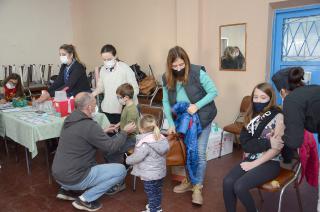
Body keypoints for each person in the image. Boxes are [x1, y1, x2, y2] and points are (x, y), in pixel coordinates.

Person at [52, 92, 136, 211]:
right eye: (95, 104)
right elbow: (111, 147)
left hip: (58, 174)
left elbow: (83, 136)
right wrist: (124, 132)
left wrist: (102, 131)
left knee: (91, 163)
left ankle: (66, 189)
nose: (96, 106)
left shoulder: (69, 119)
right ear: (89, 108)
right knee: (121, 170)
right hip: (75, 177)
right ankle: (85, 199)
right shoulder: (90, 125)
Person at [162, 46, 218, 205]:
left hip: (203, 116)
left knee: (199, 153)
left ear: (186, 61)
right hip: (183, 120)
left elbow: (213, 92)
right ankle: (188, 181)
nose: (179, 68)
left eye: (181, 65)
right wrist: (171, 123)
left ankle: (197, 187)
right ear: (170, 66)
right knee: (187, 151)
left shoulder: (198, 72)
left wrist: (197, 106)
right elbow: (166, 102)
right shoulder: (166, 77)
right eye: (175, 66)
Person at [223, 82, 285, 212]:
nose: (258, 101)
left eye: (263, 98)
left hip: (270, 162)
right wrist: (266, 143)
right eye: (255, 97)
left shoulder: (278, 116)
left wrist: (253, 163)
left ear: (270, 99)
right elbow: (246, 144)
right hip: (251, 157)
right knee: (228, 182)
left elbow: (276, 149)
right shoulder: (250, 115)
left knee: (240, 186)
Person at [272, 67, 320, 211]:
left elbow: (294, 141)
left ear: (282, 91)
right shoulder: (314, 89)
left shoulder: (291, 100)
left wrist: (276, 141)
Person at [126, 115, 169, 212]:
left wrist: (127, 160)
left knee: (151, 194)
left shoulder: (145, 143)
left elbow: (137, 157)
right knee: (157, 191)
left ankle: (153, 210)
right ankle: (157, 208)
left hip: (149, 175)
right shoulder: (162, 138)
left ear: (141, 129)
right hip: (160, 173)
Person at [91, 44, 139, 126]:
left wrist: (125, 100)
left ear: (115, 56)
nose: (106, 61)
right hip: (107, 108)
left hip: (123, 109)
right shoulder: (102, 69)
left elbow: (135, 89)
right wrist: (92, 94)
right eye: (104, 59)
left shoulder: (125, 68)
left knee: (123, 134)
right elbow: (101, 87)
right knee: (109, 134)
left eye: (109, 59)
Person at [104, 83, 139, 163]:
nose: (118, 99)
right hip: (125, 134)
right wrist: (118, 125)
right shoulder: (127, 106)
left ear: (126, 97)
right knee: (108, 145)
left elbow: (131, 129)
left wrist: (120, 137)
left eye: (119, 97)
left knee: (113, 151)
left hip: (131, 138)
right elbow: (125, 120)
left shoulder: (132, 111)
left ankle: (118, 167)